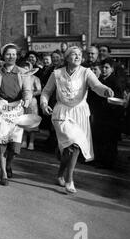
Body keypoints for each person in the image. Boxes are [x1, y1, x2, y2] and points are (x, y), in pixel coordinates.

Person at [40, 46, 114, 194]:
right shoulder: (57, 73)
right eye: (74, 54)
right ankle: (69, 179)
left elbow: (96, 85)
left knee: (72, 148)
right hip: (62, 113)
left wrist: (105, 90)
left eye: (80, 54)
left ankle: (60, 173)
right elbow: (46, 91)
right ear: (67, 58)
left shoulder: (86, 72)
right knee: (73, 144)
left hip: (80, 113)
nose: (77, 56)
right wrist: (44, 103)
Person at [0, 44, 32, 186]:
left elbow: (27, 90)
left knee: (14, 146)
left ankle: (9, 163)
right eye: (8, 54)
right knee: (1, 142)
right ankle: (3, 174)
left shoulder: (23, 72)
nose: (11, 57)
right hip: (2, 109)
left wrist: (27, 99)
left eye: (13, 54)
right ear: (3, 56)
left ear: (17, 56)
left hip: (17, 109)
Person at [93, 58, 125, 169]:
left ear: (112, 69)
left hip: (111, 116)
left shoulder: (115, 82)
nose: (104, 69)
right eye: (103, 67)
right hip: (99, 114)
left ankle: (109, 162)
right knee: (99, 138)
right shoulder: (98, 80)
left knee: (110, 141)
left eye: (107, 67)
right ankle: (100, 160)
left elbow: (119, 99)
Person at [19, 61, 41, 151]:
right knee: (23, 120)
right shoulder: (19, 78)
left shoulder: (35, 78)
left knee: (32, 122)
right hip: (22, 102)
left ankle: (31, 142)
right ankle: (23, 140)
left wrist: (31, 94)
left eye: (26, 68)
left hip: (32, 102)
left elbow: (39, 90)